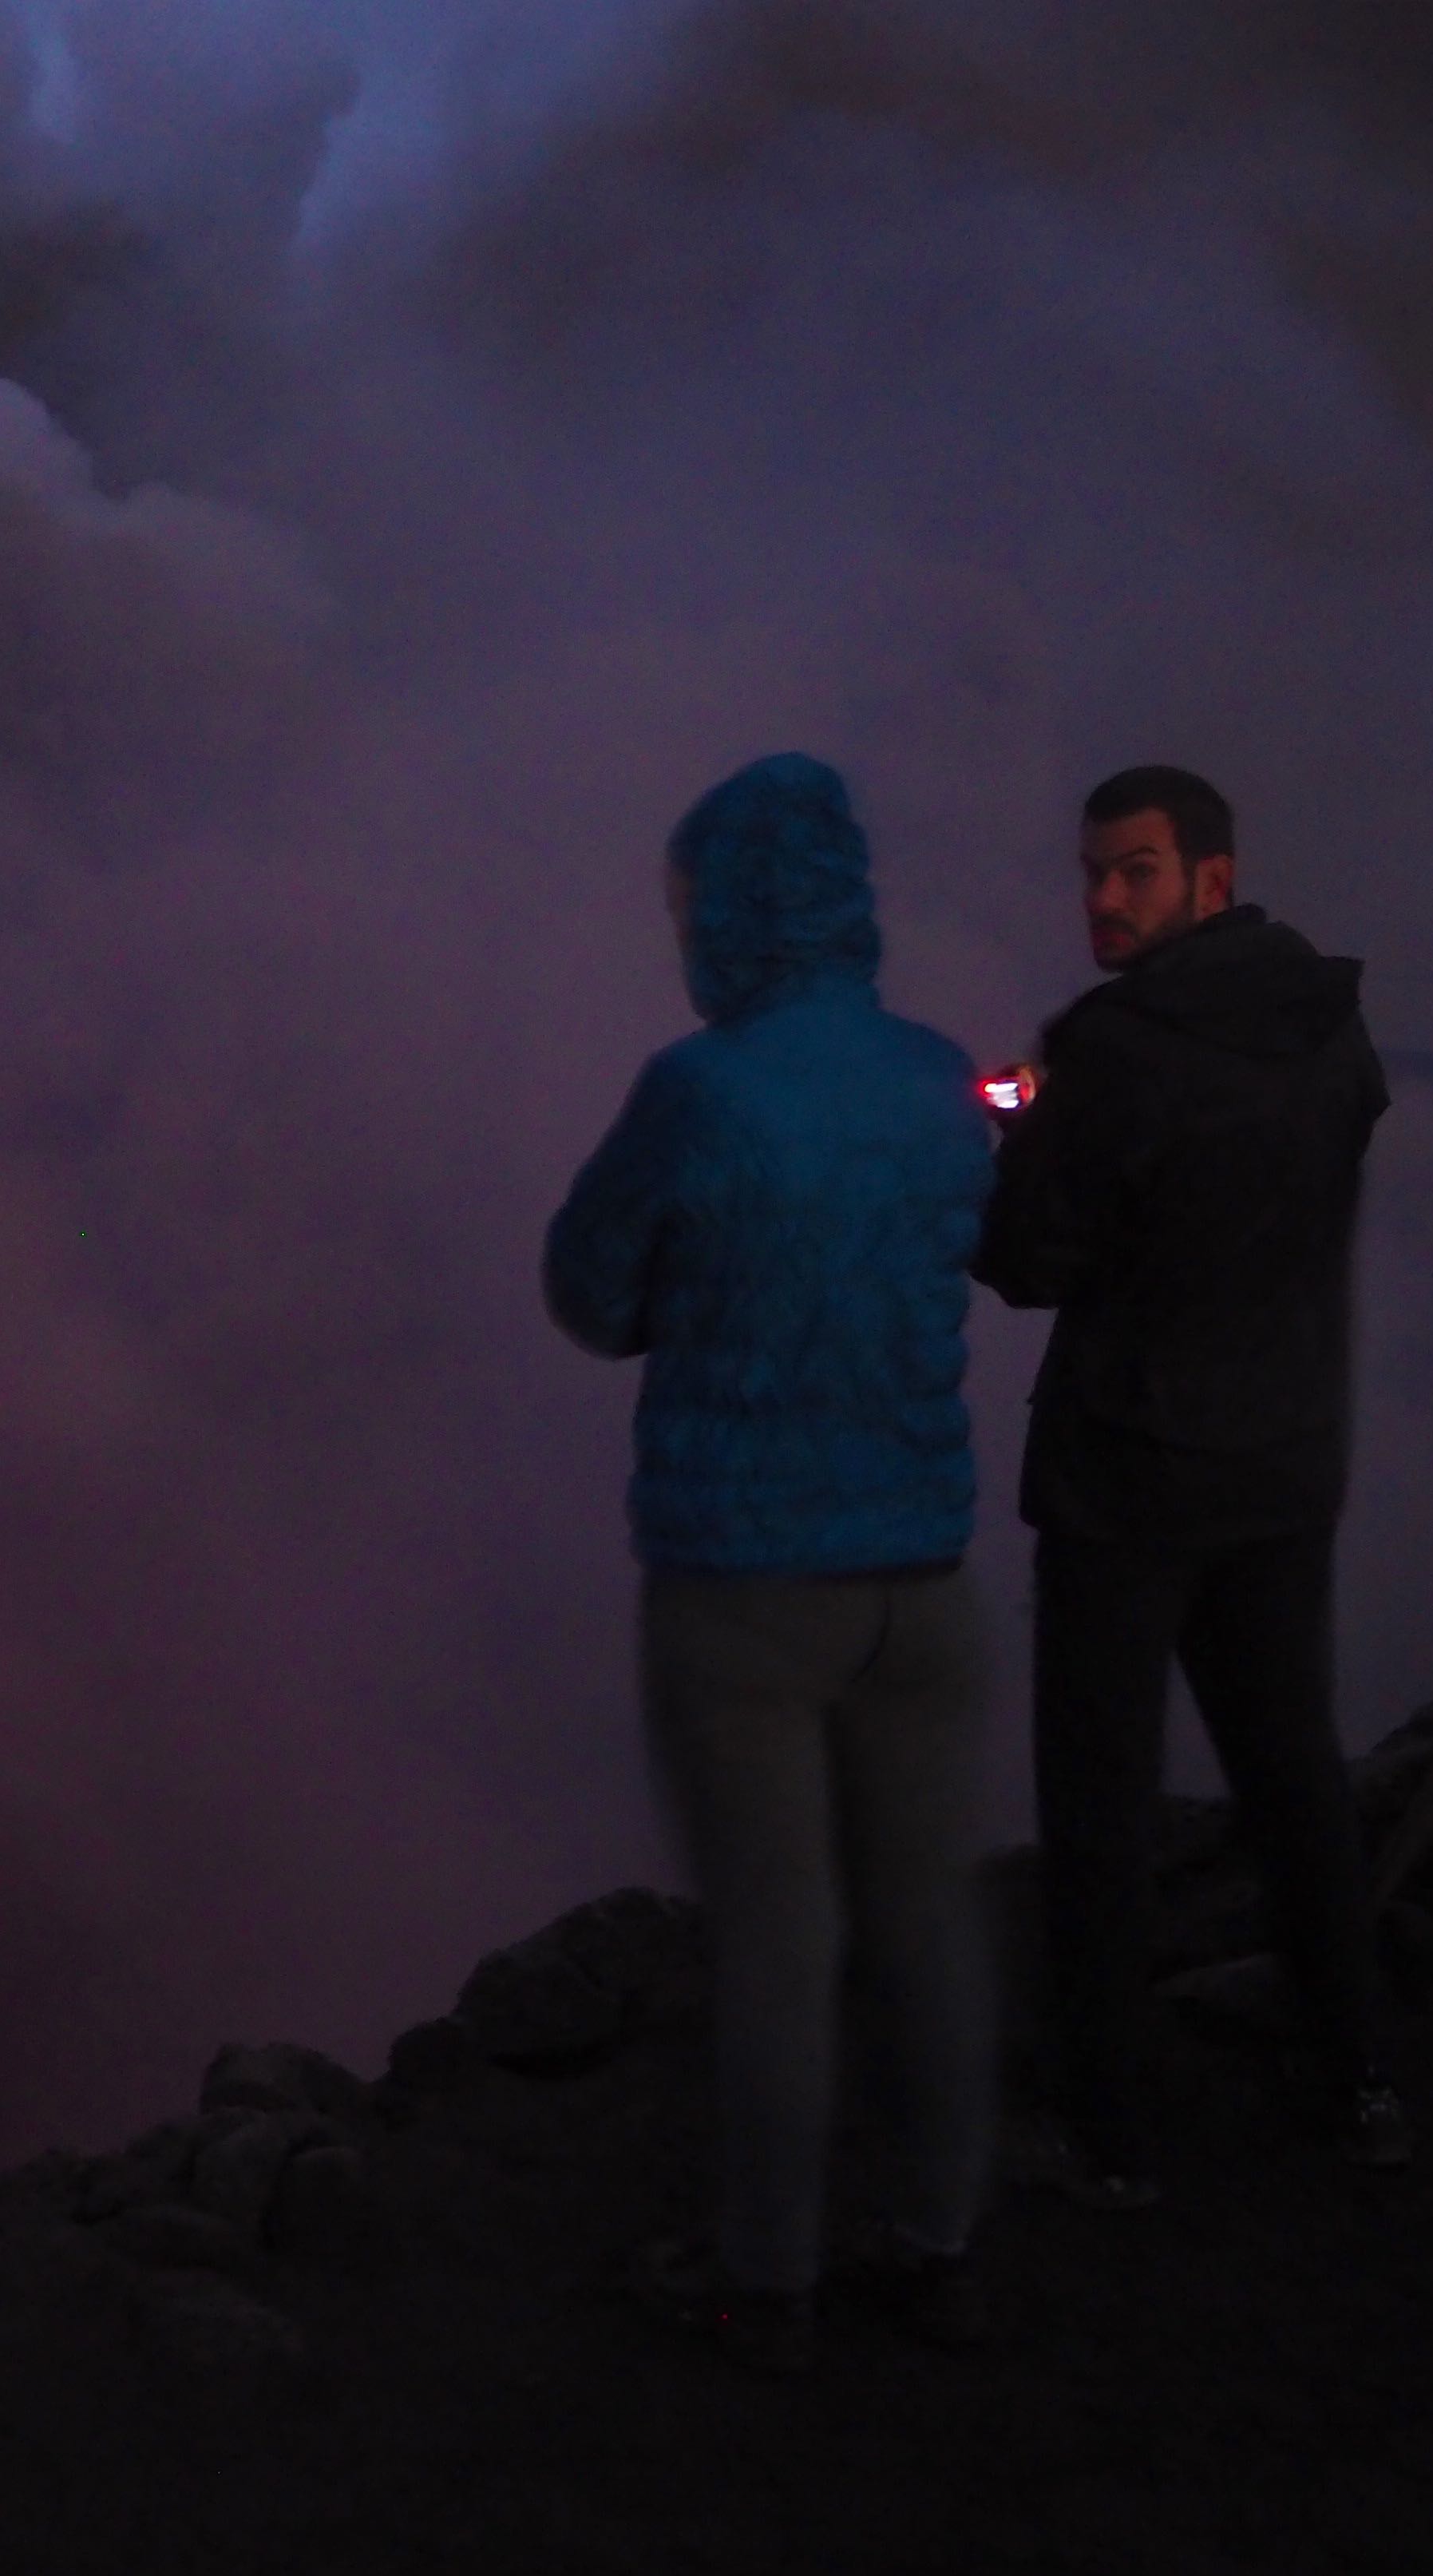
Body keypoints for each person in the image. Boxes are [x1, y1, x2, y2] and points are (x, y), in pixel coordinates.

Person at [544, 753, 1001, 2366]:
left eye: (689, 912)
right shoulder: (937, 1078)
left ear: (734, 913)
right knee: (929, 1923)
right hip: (924, 1587)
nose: (683, 941)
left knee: (776, 1947)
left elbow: (590, 1293)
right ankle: (940, 2243)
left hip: (744, 1595)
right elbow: (963, 1248)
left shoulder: (700, 1095)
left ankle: (769, 2277)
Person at [976, 765, 1407, 2202]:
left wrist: (1022, 1136)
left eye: (1135, 871)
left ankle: (1112, 2126)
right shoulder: (1331, 1021)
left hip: (1129, 1478)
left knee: (1102, 1799)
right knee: (1292, 1770)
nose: (1103, 898)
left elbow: (1030, 1261)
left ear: (1210, 879)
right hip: (1286, 1457)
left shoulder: (1117, 1050)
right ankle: (1361, 2076)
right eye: (1093, 871)